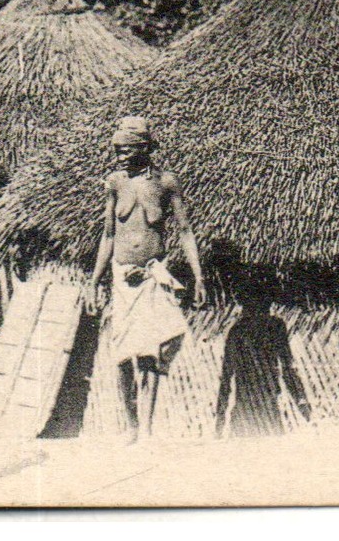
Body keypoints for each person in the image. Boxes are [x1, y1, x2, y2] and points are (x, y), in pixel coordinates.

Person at [88, 116, 206, 441]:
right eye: (116, 150)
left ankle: (148, 427)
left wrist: (198, 276)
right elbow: (108, 235)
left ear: (144, 148)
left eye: (126, 150)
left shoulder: (166, 182)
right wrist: (94, 280)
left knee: (153, 350)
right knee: (123, 355)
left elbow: (185, 231)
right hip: (123, 280)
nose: (120, 156)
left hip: (153, 276)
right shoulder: (115, 182)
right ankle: (130, 424)